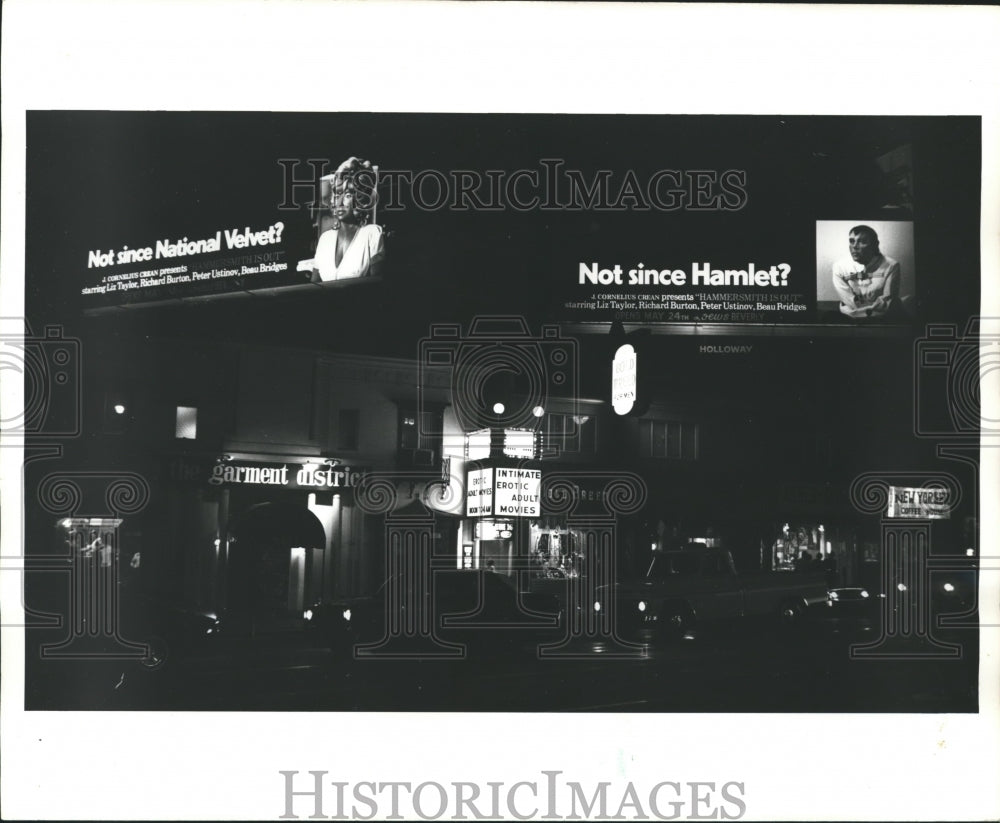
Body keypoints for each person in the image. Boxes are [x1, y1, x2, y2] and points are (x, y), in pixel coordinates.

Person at [310, 156, 385, 282]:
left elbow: (377, 286)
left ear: (360, 199)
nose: (339, 202)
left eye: (348, 195)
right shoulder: (325, 239)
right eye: (337, 194)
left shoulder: (372, 233)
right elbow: (313, 288)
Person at [832, 225, 900, 319]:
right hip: (849, 318)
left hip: (881, 319)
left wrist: (856, 312)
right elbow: (849, 301)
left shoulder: (892, 266)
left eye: (862, 242)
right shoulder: (839, 267)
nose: (854, 246)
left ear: (875, 245)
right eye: (852, 241)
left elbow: (885, 305)